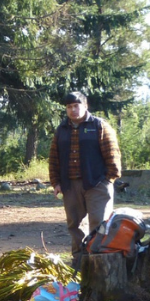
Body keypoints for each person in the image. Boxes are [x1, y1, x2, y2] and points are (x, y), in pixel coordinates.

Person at [48, 91, 122, 259]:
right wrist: (56, 182)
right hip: (70, 186)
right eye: (69, 107)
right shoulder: (61, 130)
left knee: (100, 224)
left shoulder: (100, 126)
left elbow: (113, 155)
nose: (73, 110)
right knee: (74, 225)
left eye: (76, 105)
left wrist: (108, 180)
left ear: (85, 106)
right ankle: (79, 262)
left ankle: (98, 260)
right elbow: (54, 158)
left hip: (97, 184)